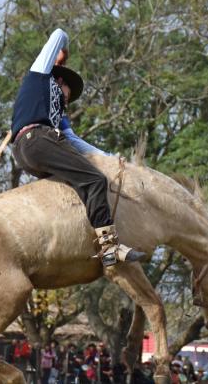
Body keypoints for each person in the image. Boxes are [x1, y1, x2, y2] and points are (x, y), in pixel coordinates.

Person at [9, 28, 145, 267]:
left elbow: (73, 140)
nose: (67, 101)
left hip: (26, 150)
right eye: (67, 95)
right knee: (94, 180)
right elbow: (59, 34)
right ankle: (109, 246)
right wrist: (63, 52)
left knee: (77, 182)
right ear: (60, 81)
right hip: (38, 140)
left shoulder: (56, 116)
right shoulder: (40, 75)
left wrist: (109, 157)